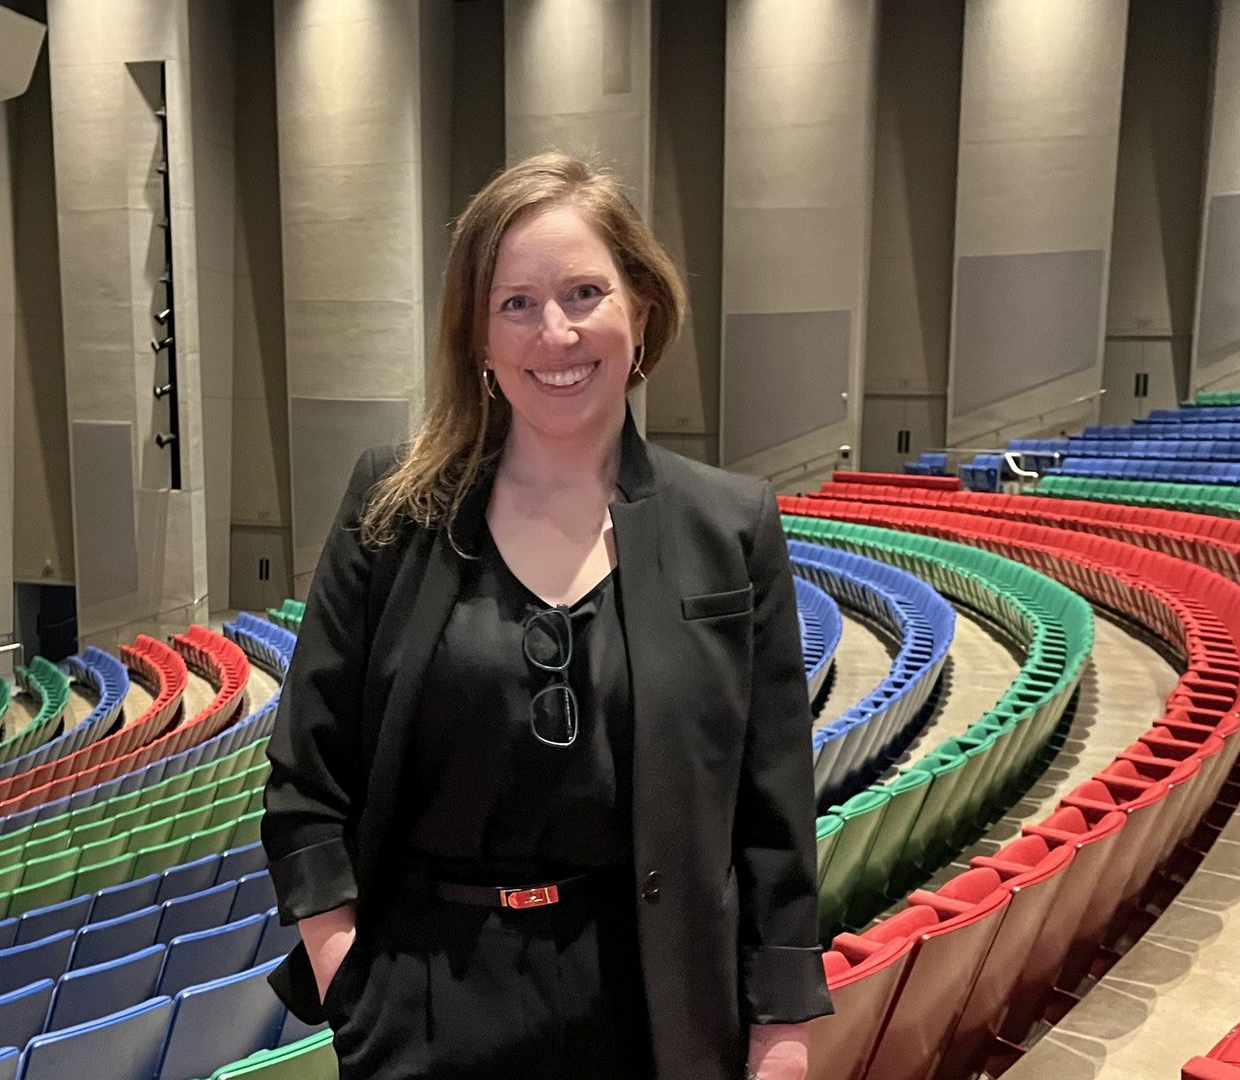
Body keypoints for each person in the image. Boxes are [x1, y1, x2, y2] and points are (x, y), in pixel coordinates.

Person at [261, 152, 831, 1079]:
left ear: (639, 310)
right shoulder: (392, 510)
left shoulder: (728, 526)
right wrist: (353, 989)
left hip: (656, 1007)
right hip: (427, 1008)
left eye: (583, 292)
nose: (554, 333)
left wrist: (782, 1035)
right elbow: (306, 779)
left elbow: (773, 815)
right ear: (477, 339)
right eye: (515, 303)